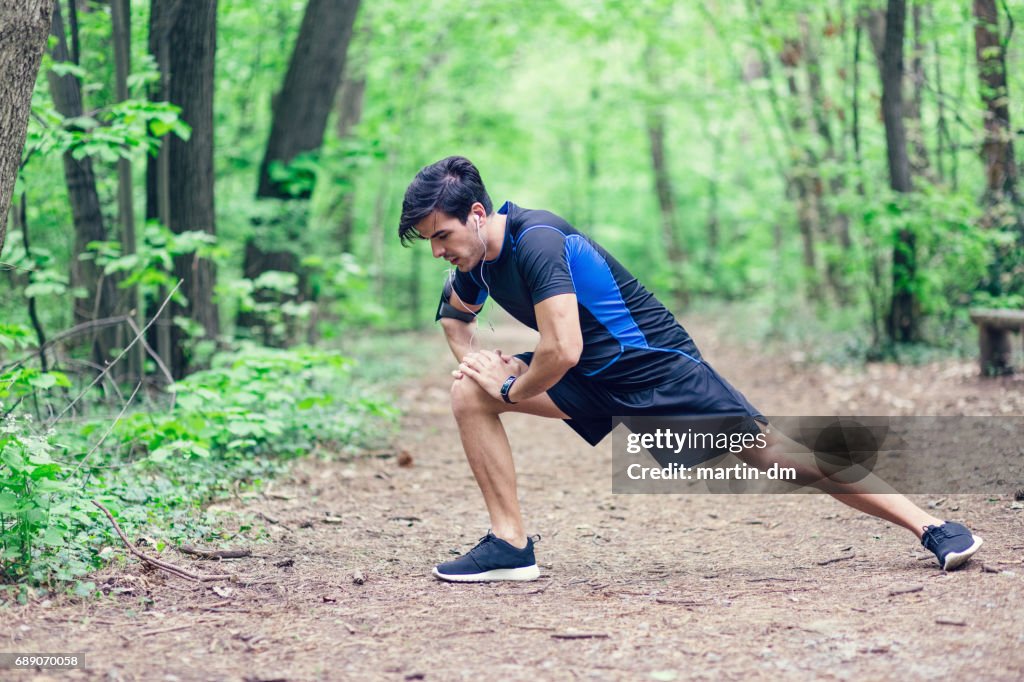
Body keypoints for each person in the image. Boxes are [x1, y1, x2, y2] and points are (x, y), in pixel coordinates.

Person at [397, 155, 983, 582]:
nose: (437, 251)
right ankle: (510, 544)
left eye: (441, 235)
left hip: (655, 374)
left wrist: (508, 381)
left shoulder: (538, 240)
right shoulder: (478, 260)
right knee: (467, 392)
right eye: (429, 241)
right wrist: (476, 364)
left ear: (476, 214)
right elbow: (455, 320)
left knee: (786, 459)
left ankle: (932, 527)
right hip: (591, 380)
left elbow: (562, 349)